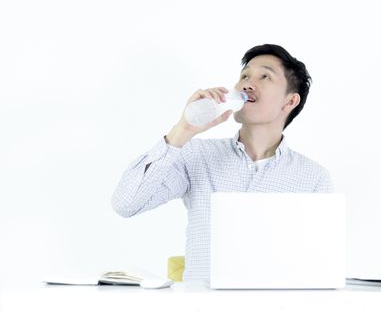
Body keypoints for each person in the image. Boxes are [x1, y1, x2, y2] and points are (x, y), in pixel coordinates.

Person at [111, 44, 335, 283]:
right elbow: (126, 204)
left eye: (265, 76)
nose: (248, 83)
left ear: (290, 101)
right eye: (245, 76)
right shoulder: (196, 155)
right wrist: (181, 131)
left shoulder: (314, 178)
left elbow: (318, 265)